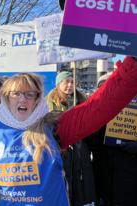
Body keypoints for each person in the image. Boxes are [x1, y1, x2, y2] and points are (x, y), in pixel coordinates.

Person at [0, 24, 137, 206]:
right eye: (16, 93)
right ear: (6, 98)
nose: (23, 99)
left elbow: (100, 106)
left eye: (30, 93)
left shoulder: (54, 127)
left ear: (39, 99)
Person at [86, 74, 137, 206]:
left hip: (130, 174)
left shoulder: (135, 106)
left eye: (111, 87)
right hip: (102, 175)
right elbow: (86, 138)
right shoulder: (93, 109)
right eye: (103, 88)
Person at [46, 71, 95, 206]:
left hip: (80, 150)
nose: (70, 85)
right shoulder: (49, 103)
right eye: (66, 82)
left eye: (72, 82)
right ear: (58, 84)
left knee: (79, 187)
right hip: (60, 150)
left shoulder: (81, 100)